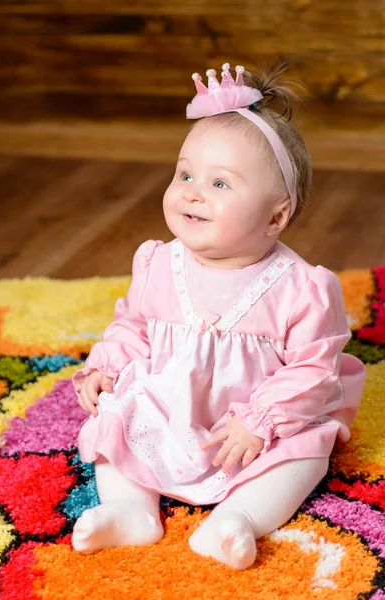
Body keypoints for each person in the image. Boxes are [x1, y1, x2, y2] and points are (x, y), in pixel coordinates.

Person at [71, 61, 366, 570]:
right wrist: (108, 366)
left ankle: (239, 517)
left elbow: (313, 371)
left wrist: (260, 422)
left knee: (306, 453)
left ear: (276, 216)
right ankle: (130, 509)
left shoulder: (303, 288)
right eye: (185, 173)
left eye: (220, 184)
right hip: (171, 404)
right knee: (116, 420)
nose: (192, 190)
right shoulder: (158, 262)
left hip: (255, 422)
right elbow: (133, 326)